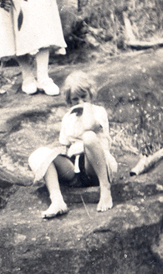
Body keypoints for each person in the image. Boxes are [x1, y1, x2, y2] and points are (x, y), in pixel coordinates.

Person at [28, 72, 117, 218]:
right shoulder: (68, 117)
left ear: (91, 94)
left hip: (95, 167)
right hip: (75, 172)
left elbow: (89, 126)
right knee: (38, 154)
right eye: (75, 100)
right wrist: (58, 160)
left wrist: (86, 107)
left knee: (88, 137)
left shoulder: (98, 112)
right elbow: (64, 145)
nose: (80, 102)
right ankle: (57, 200)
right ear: (69, 101)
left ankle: (105, 188)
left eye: (84, 97)